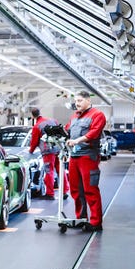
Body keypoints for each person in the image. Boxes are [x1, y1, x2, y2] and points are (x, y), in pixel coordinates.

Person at [65, 91, 106, 232]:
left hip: (88, 156)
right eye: (76, 101)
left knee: (90, 189)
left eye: (80, 100)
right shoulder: (74, 117)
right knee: (76, 190)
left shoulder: (97, 115)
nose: (77, 103)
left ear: (88, 100)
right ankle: (81, 218)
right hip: (74, 157)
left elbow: (94, 132)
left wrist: (77, 140)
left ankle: (96, 222)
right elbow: (67, 131)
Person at [29, 108, 68, 200]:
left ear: (32, 116)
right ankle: (65, 191)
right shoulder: (53, 120)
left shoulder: (37, 126)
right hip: (58, 148)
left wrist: (31, 151)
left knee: (49, 171)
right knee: (60, 170)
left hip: (47, 151)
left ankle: (50, 194)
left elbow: (34, 142)